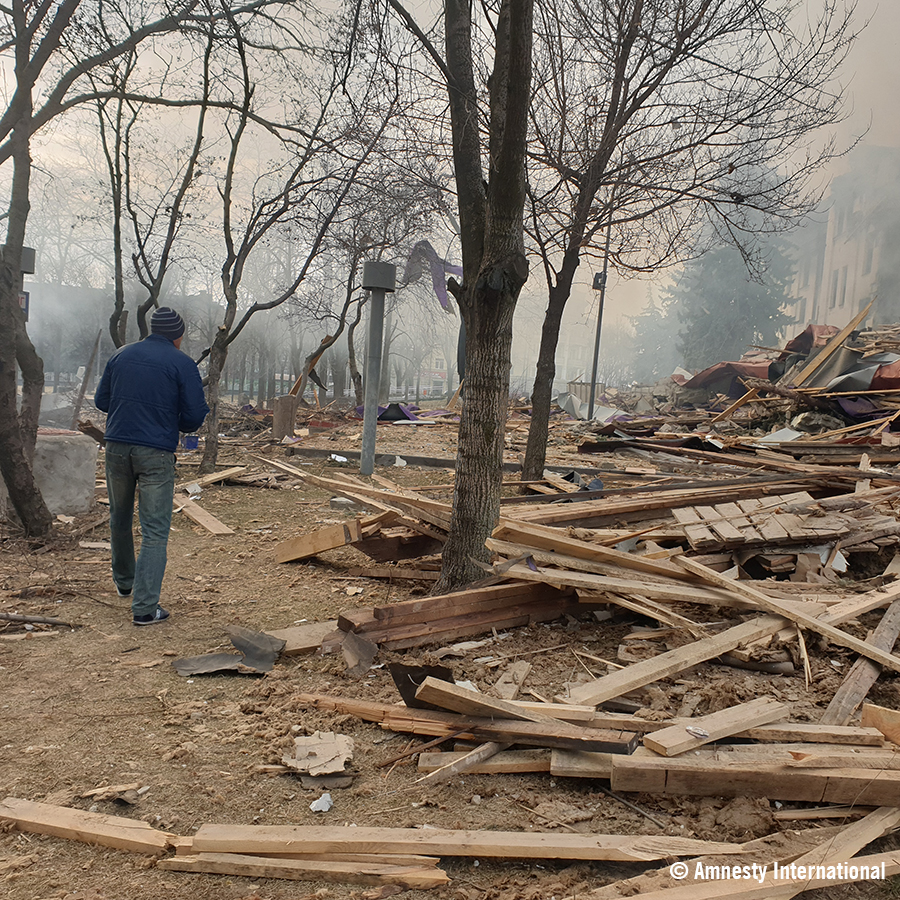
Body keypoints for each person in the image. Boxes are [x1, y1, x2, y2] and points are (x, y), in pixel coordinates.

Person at [95, 307, 209, 626]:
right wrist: (171, 420)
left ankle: (125, 583)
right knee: (155, 530)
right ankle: (145, 607)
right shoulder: (182, 363)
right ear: (178, 336)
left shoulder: (121, 355)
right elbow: (194, 416)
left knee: (118, 516)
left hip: (116, 446)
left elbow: (102, 401)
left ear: (150, 331)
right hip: (155, 452)